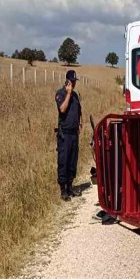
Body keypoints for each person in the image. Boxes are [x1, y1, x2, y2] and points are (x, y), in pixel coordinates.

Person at [55, 70, 83, 202]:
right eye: (71, 82)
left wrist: (80, 122)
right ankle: (63, 190)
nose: (73, 84)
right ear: (67, 81)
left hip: (74, 134)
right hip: (64, 134)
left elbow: (79, 110)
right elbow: (62, 109)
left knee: (72, 161)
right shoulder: (60, 94)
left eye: (74, 82)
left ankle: (70, 187)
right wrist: (68, 93)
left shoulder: (76, 96)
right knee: (64, 161)